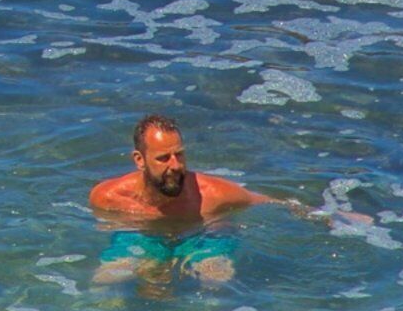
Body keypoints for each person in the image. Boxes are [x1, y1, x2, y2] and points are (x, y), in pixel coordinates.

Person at [85, 113, 313, 285]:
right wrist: (155, 256)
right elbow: (109, 229)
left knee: (214, 280)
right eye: (163, 158)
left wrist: (332, 216)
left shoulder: (212, 195)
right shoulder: (108, 197)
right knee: (107, 280)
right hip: (146, 237)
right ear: (139, 160)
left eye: (180, 154)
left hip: (204, 236)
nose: (175, 165)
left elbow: (275, 203)